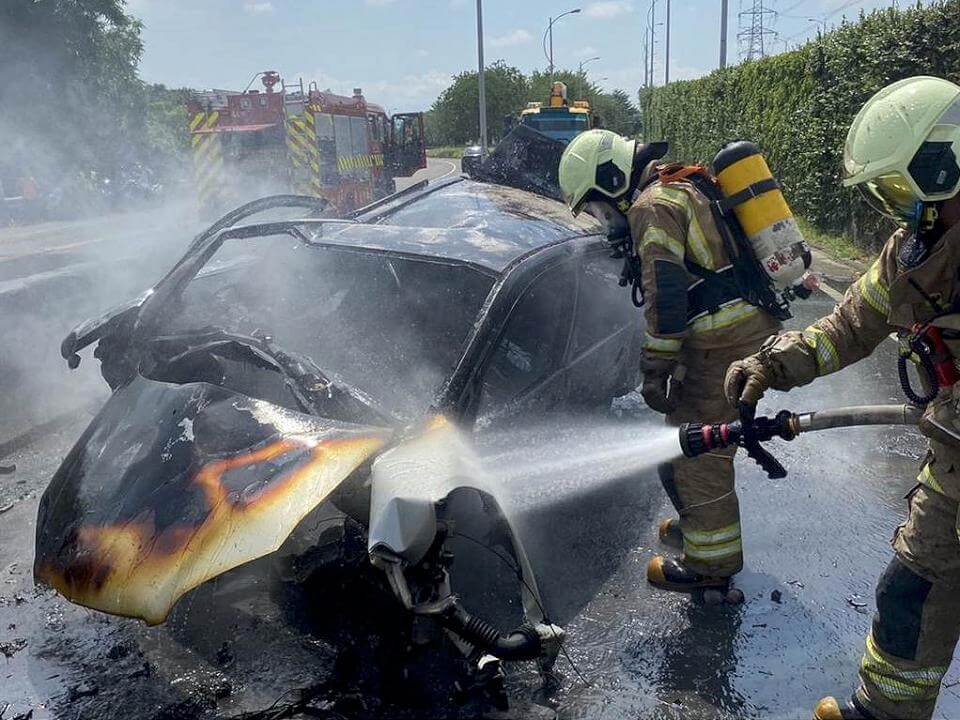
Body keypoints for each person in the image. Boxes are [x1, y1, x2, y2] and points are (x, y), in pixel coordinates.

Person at [724, 76, 960, 720]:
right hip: (954, 461)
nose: (897, 208)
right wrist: (770, 364)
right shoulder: (911, 252)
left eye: (899, 187)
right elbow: (850, 327)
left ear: (944, 164)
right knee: (911, 589)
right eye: (887, 192)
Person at [558, 129, 782, 593]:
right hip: (736, 331)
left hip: (724, 341)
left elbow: (667, 298)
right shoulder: (678, 187)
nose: (603, 220)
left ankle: (711, 567)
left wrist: (654, 371)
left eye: (598, 207)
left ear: (613, 179)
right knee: (680, 445)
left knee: (697, 452)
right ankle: (698, 530)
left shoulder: (650, 207)